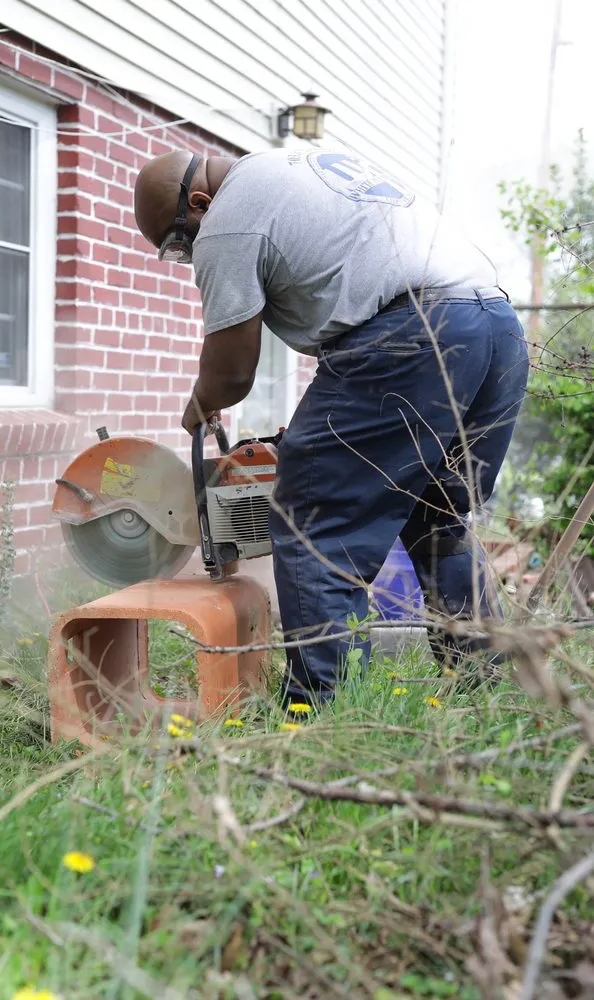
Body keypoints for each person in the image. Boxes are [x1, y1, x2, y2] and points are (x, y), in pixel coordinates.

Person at [134, 148, 529, 707]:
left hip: (414, 335)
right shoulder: (289, 168)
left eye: (179, 242)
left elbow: (232, 371)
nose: (188, 254)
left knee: (314, 524)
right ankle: (485, 690)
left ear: (198, 204)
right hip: (496, 330)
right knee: (436, 513)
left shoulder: (226, 220)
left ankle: (322, 709)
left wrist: (201, 406)